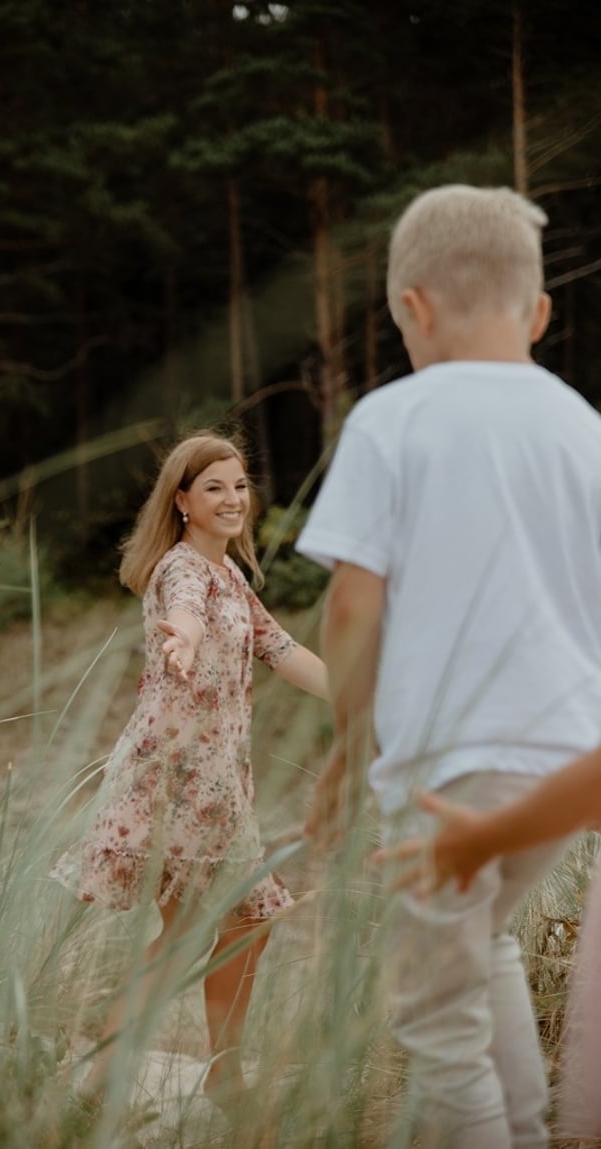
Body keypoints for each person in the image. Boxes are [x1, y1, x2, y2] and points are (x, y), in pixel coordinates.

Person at [295, 184, 601, 1149]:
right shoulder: (586, 428)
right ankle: (524, 1130)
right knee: (485, 942)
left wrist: (351, 749)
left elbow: (354, 605)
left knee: (434, 1014)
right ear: (539, 312)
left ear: (412, 308)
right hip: (566, 772)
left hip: (448, 764)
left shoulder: (393, 418)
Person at [51, 431, 328, 1108]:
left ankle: (222, 1076)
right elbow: (185, 613)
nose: (232, 499)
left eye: (239, 486)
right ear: (181, 501)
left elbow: (280, 647)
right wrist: (184, 634)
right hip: (178, 777)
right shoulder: (183, 570)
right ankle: (104, 1083)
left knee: (243, 924)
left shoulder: (228, 574)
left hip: (218, 782)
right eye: (214, 488)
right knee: (193, 932)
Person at [377, 747, 601, 1142]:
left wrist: (491, 834)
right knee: (479, 948)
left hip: (462, 770)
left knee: (437, 1006)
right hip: (550, 761)